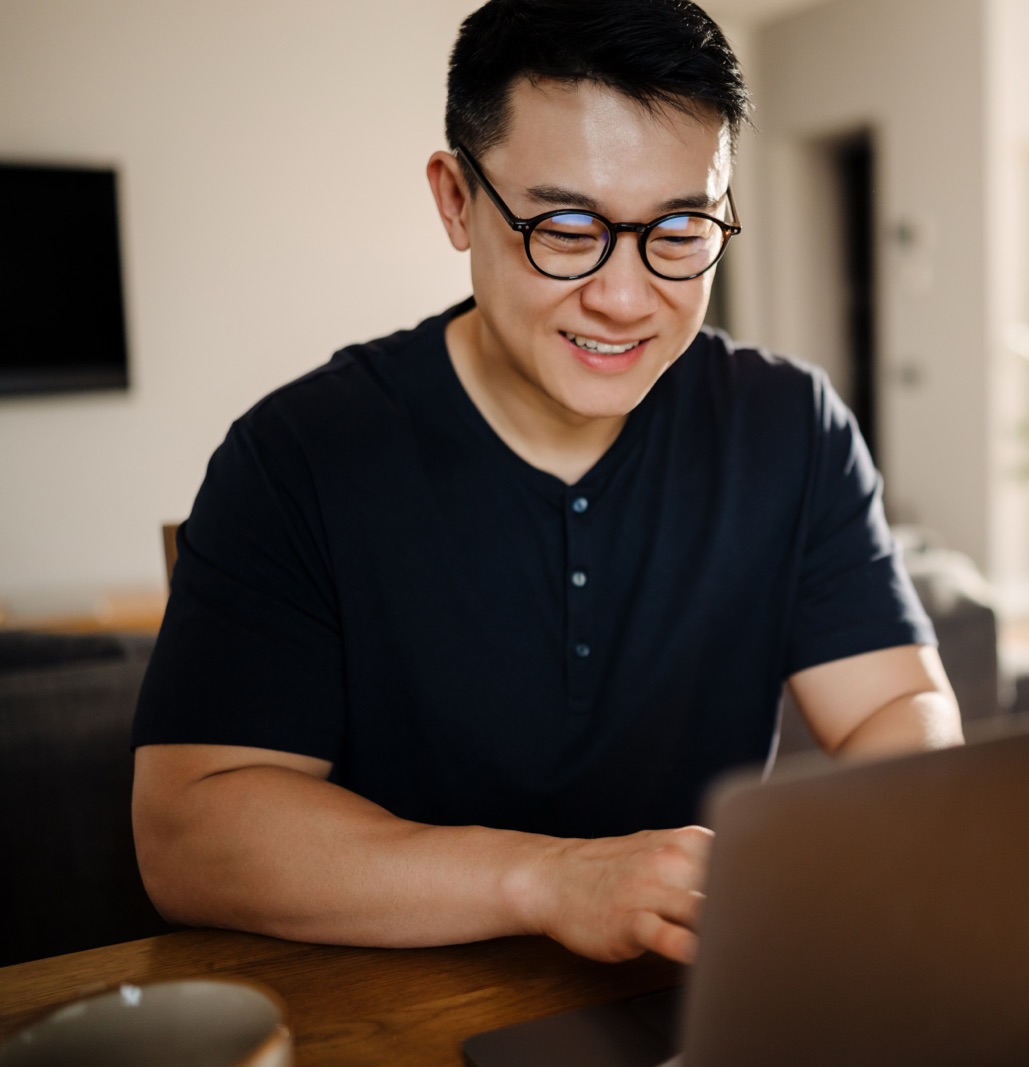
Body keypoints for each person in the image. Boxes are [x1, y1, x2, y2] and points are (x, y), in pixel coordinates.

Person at [130, 0, 962, 968]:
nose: (621, 296)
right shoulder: (299, 458)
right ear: (455, 200)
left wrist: (863, 850)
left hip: (697, 992)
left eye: (681, 229)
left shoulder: (788, 428)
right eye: (566, 227)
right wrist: (551, 880)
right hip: (388, 1001)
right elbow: (187, 834)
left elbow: (895, 707)